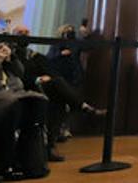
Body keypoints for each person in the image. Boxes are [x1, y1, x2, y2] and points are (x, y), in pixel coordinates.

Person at [11, 25, 104, 162]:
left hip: (50, 84)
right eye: (20, 33)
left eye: (27, 32)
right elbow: (18, 75)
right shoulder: (12, 55)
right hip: (25, 87)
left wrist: (84, 36)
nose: (25, 35)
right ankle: (84, 107)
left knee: (59, 97)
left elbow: (50, 68)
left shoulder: (34, 55)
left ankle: (50, 147)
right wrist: (39, 78)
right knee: (58, 85)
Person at [0, 41, 49, 180]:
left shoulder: (8, 59)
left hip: (14, 95)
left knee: (38, 101)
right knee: (12, 104)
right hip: (1, 97)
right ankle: (5, 166)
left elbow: (21, 73)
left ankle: (31, 164)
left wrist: (11, 57)